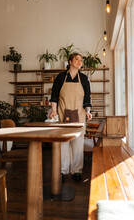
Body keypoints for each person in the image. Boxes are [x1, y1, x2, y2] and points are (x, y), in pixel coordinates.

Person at [49, 52, 92, 181]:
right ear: (70, 61)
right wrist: (53, 111)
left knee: (78, 144)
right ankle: (62, 171)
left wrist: (88, 111)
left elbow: (87, 98)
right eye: (77, 59)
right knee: (63, 144)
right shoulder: (61, 77)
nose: (80, 62)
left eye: (81, 60)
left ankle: (77, 171)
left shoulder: (84, 79)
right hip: (63, 114)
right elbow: (54, 97)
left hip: (79, 114)